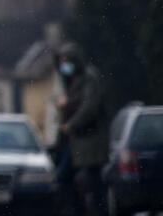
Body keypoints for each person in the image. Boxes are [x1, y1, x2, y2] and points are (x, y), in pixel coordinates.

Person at [54, 42, 108, 216]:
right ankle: (79, 210)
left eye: (66, 61)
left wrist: (71, 124)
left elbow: (90, 106)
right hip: (78, 139)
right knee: (66, 176)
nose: (64, 66)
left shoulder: (89, 77)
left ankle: (91, 211)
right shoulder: (75, 79)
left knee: (93, 181)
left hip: (89, 139)